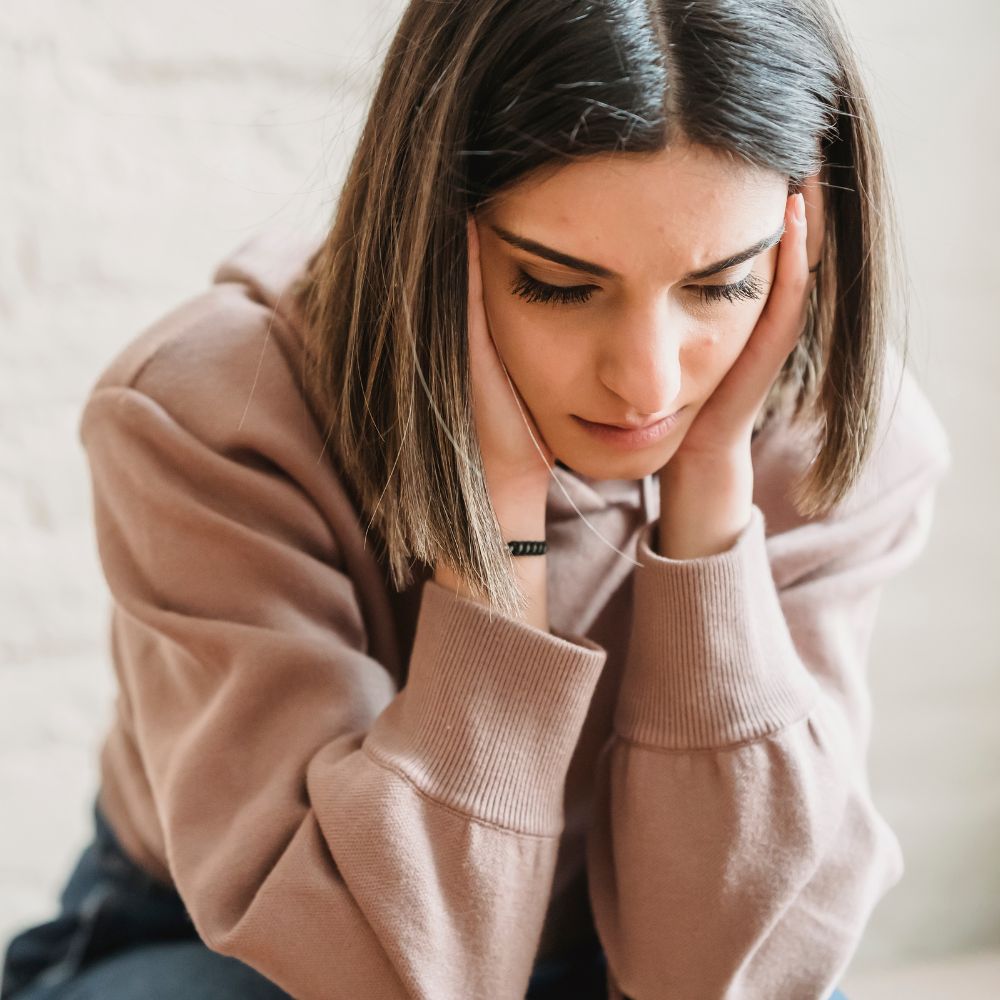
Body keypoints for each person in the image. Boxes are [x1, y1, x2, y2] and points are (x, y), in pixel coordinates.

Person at [1, 0, 951, 998]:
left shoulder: (840, 434)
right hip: (254, 945)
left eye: (720, 285)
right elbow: (388, 971)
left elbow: (715, 975)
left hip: (611, 950)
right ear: (426, 231)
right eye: (556, 283)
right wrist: (492, 526)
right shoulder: (211, 419)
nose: (650, 384)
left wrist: (708, 506)